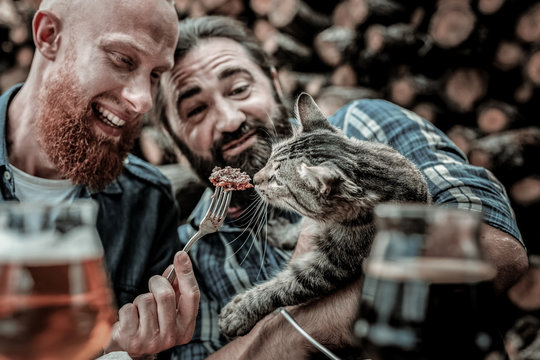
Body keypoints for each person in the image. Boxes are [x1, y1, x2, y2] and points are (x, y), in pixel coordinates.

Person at [154, 16, 529, 359]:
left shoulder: (367, 126)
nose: (230, 119)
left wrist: (291, 332)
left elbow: (493, 253)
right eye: (195, 110)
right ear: (172, 143)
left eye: (238, 88)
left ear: (274, 81)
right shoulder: (195, 248)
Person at [0, 0, 200, 358]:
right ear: (49, 36)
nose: (143, 101)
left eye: (155, 75)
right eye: (123, 60)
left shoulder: (148, 202)